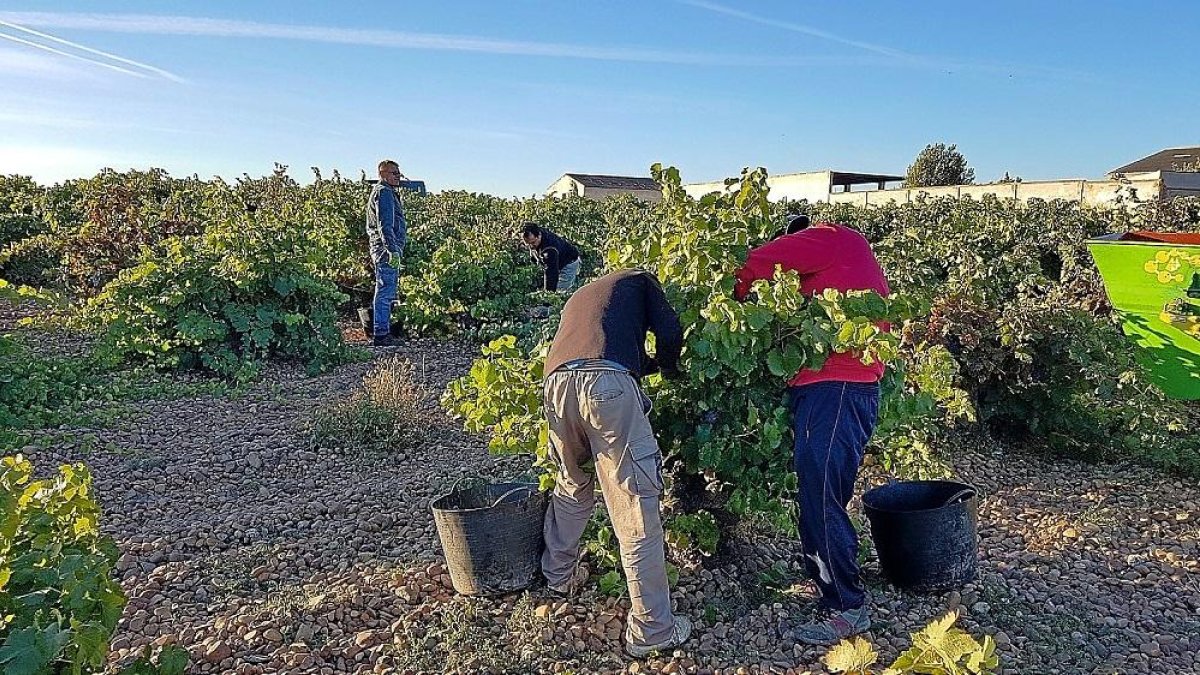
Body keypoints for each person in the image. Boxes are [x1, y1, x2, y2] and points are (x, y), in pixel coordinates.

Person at [733, 217, 890, 646]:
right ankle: (824, 581)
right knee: (818, 490)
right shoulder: (841, 265)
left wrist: (732, 298)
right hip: (829, 387)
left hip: (837, 386)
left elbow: (755, 263)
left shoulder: (831, 238)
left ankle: (846, 607)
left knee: (821, 493)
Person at [540, 269, 692, 658]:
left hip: (556, 385)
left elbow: (611, 346)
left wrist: (643, 365)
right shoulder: (643, 280)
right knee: (633, 504)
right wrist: (672, 368)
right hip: (605, 384)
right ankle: (653, 630)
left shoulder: (588, 297)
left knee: (572, 483)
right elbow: (670, 331)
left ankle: (558, 577)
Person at [365, 159, 408, 347]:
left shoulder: (385, 192)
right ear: (382, 174)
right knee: (385, 291)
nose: (398, 176)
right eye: (394, 173)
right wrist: (392, 250)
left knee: (385, 289)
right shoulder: (384, 193)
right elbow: (385, 225)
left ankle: (383, 331)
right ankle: (381, 334)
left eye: (399, 173)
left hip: (381, 248)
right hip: (384, 249)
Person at [522, 223, 581, 292]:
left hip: (569, 264)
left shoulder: (549, 250)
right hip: (556, 258)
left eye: (533, 242)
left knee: (559, 292)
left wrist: (548, 296)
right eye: (528, 243)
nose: (531, 246)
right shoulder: (536, 231)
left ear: (539, 236)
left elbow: (551, 274)